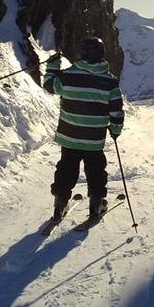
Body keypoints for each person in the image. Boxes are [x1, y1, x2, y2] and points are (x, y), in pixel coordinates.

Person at [42, 37, 124, 221]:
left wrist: (53, 64)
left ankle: (60, 203)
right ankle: (96, 204)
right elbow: (116, 111)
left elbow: (49, 85)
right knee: (96, 171)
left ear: (81, 53)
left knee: (66, 169)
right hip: (94, 139)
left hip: (69, 136)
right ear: (102, 53)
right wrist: (116, 130)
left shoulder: (67, 76)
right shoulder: (109, 81)